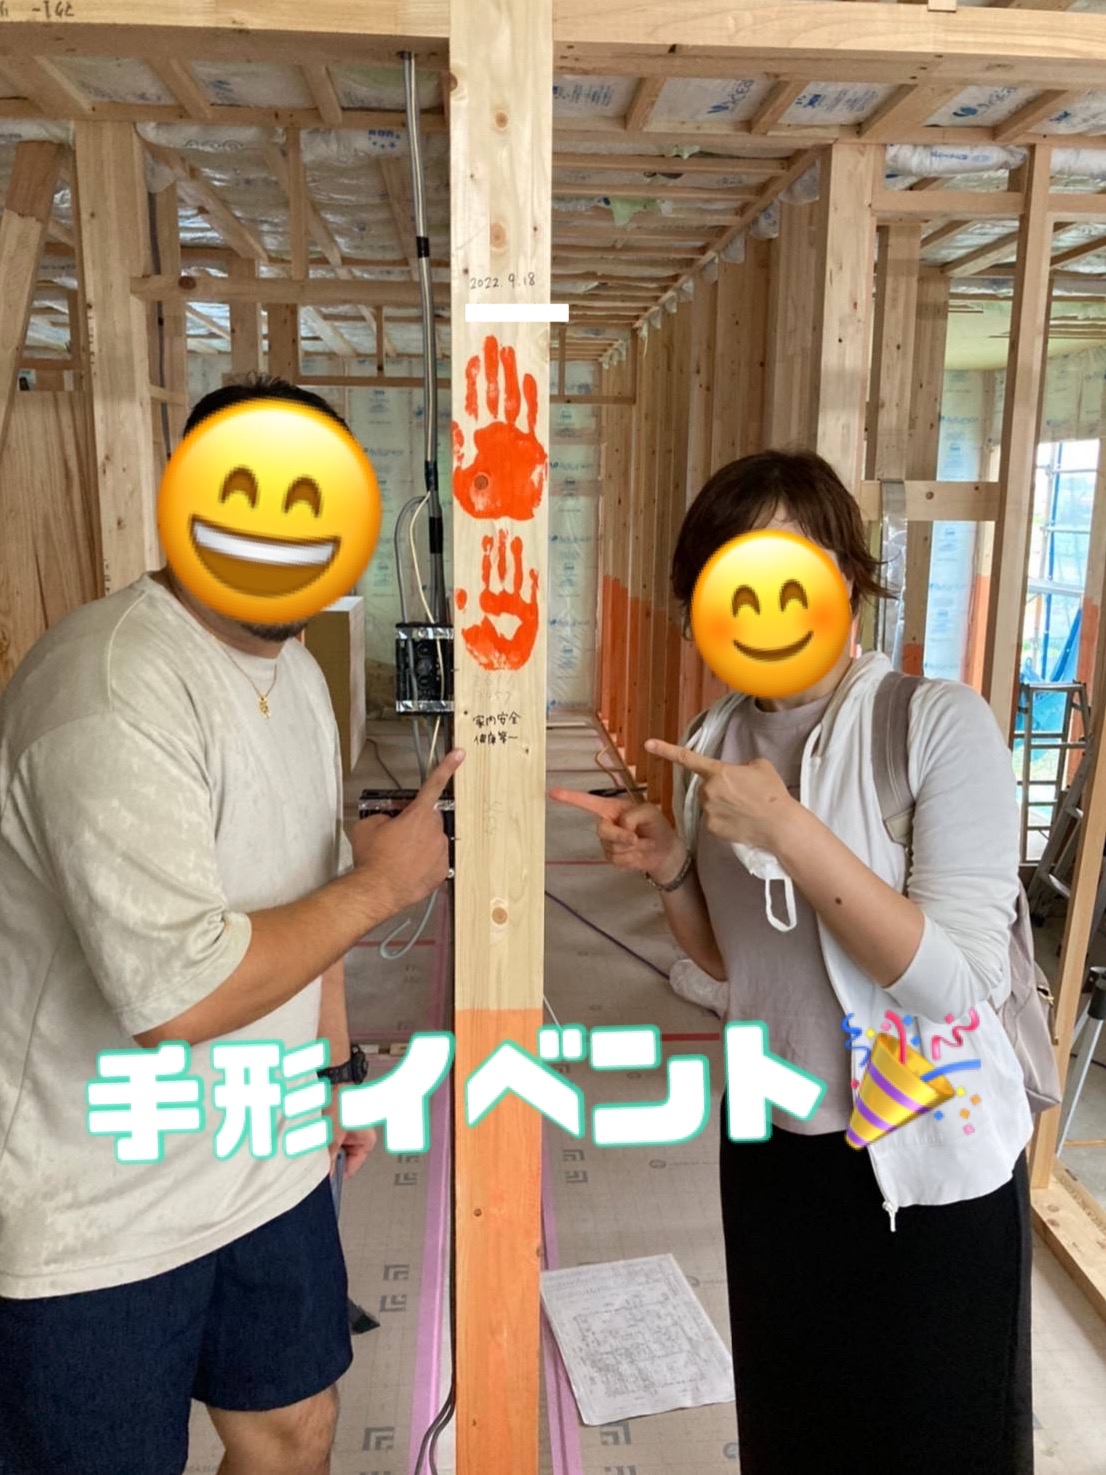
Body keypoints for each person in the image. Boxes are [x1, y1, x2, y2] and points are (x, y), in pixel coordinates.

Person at [0, 375, 463, 1475]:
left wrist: (332, 1070)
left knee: (294, 1428)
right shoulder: (113, 687)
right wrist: (382, 887)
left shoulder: (296, 673)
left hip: (261, 1154)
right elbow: (179, 995)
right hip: (95, 1207)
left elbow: (304, 881)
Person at [553, 450, 1033, 1475]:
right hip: (773, 1145)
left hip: (925, 1156)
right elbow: (734, 965)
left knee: (930, 1442)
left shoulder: (935, 724)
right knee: (794, 1425)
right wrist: (673, 867)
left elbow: (955, 982)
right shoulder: (717, 737)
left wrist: (789, 831)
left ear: (845, 576)